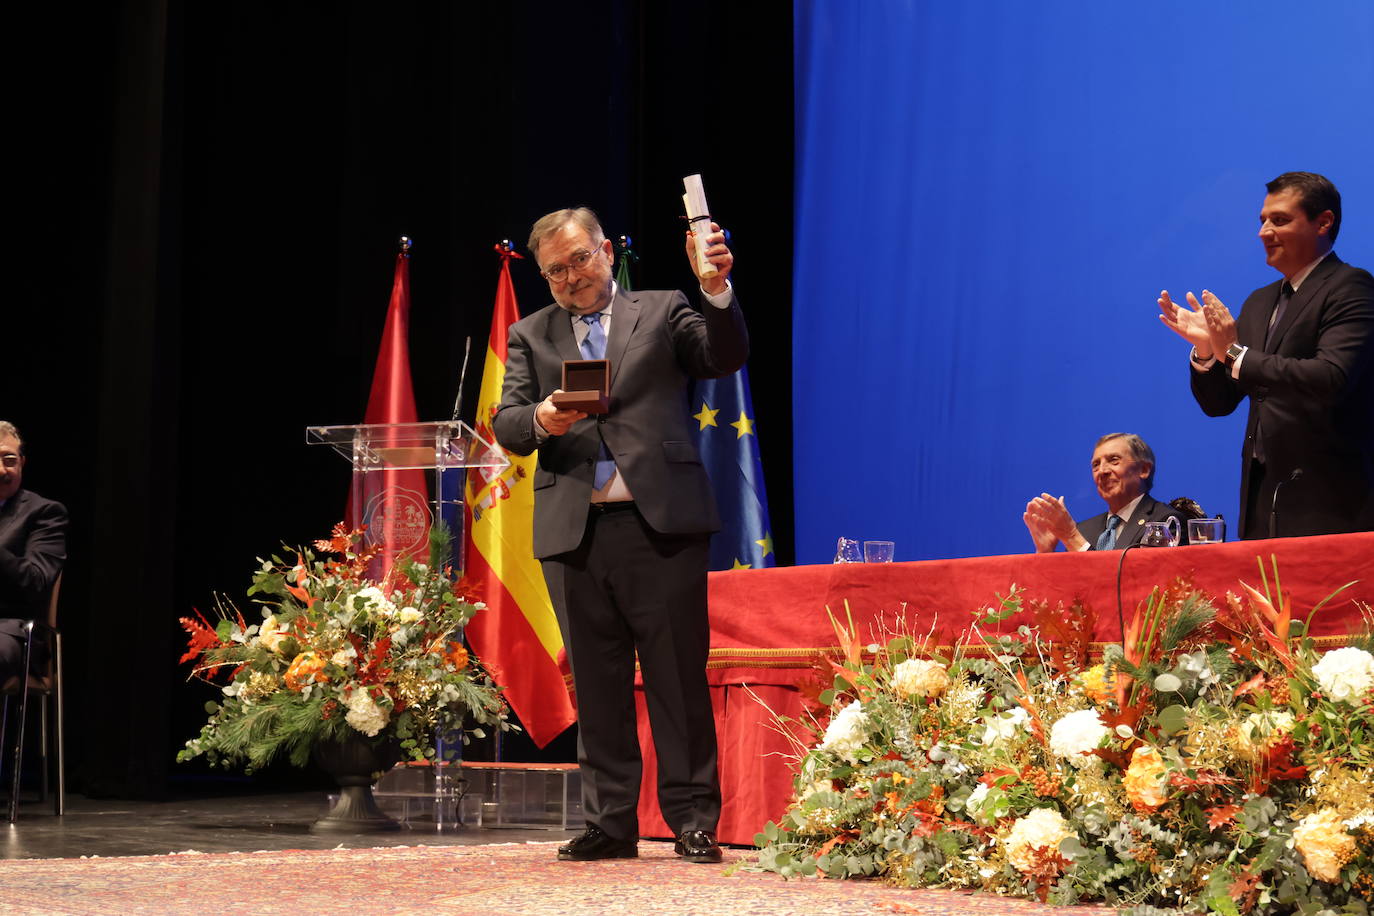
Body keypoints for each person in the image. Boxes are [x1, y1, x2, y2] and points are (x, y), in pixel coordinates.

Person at [492, 207, 747, 863]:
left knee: (676, 680)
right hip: (574, 533)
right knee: (598, 687)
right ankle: (609, 822)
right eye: (555, 271)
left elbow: (722, 355)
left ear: (606, 251)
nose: (571, 277)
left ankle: (692, 819)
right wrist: (544, 417)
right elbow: (508, 423)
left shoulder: (661, 310)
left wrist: (715, 289)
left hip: (660, 526)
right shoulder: (529, 333)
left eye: (580, 259)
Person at [1158, 171, 1374, 539]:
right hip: (1262, 499)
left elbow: (1331, 376)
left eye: (1280, 220)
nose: (1264, 232)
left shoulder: (1351, 287)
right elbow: (1219, 403)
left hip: (1331, 502)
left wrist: (1233, 353)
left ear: (1323, 222)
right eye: (1262, 220)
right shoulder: (1259, 302)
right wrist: (1208, 351)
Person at [1024, 433, 1187, 552]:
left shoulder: (1165, 522)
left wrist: (1072, 537)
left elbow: (1138, 581)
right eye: (1095, 465)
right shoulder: (1084, 529)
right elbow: (1067, 585)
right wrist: (1045, 552)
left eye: (1114, 460)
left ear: (1143, 469)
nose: (1102, 471)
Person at [0, 421, 68, 685]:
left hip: (12, 630)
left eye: (9, 460)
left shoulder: (45, 513)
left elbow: (37, 581)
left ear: (22, 463)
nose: (1, 469)